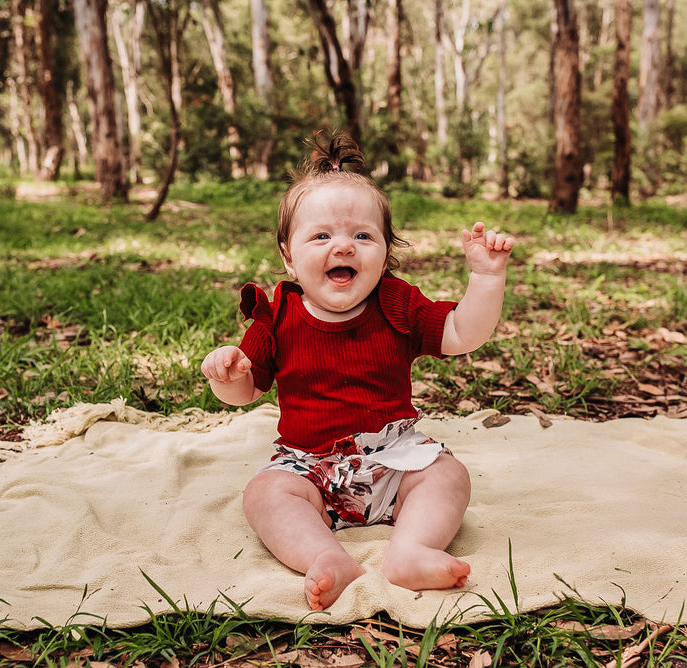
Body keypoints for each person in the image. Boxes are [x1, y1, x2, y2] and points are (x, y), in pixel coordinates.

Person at [201, 132, 514, 610]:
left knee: (448, 475)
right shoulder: (278, 315)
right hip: (309, 468)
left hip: (394, 460)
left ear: (386, 252)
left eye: (363, 236)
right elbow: (245, 392)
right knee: (265, 493)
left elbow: (461, 333)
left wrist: (486, 278)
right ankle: (325, 556)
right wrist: (226, 376)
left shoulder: (397, 304)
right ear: (289, 255)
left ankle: (410, 550)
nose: (343, 246)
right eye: (322, 236)